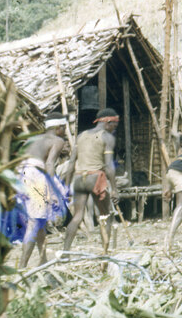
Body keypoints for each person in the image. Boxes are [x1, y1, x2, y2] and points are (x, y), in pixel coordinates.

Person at [17, 113, 71, 267]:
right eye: (64, 128)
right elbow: (49, 164)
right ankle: (22, 266)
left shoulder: (34, 139)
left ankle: (43, 260)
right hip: (36, 174)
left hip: (21, 174)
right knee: (35, 222)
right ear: (58, 128)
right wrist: (55, 190)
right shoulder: (57, 140)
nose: (65, 131)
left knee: (39, 220)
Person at [62, 108, 119, 253]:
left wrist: (67, 186)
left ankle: (65, 252)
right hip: (95, 179)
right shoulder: (107, 137)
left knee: (77, 216)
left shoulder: (81, 136)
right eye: (114, 125)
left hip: (79, 178)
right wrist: (114, 189)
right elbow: (109, 166)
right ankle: (105, 251)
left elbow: (71, 164)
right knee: (106, 215)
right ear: (108, 122)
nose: (114, 129)